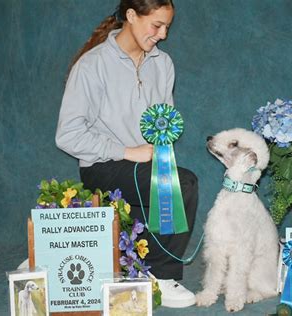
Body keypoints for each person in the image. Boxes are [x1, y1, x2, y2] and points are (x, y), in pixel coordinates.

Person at [55, 0, 198, 309]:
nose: (162, 35)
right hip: (102, 167)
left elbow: (165, 123)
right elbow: (67, 135)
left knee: (174, 181)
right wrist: (125, 151)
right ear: (131, 16)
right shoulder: (92, 65)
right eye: (156, 26)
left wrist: (157, 154)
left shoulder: (163, 64)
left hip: (146, 165)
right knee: (182, 184)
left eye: (167, 28)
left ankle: (143, 267)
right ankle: (160, 277)